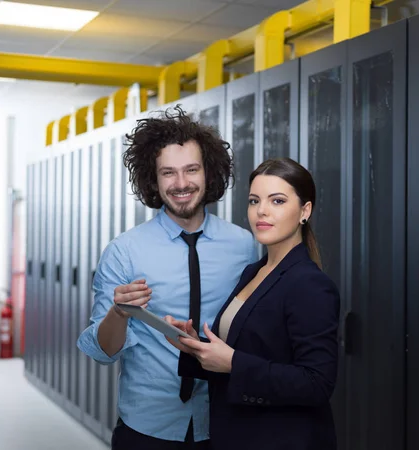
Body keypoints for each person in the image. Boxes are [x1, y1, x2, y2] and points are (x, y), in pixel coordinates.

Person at [77, 106, 258, 450]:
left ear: (209, 172)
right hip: (148, 427)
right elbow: (103, 352)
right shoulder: (124, 250)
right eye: (168, 173)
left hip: (225, 421)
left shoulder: (243, 245)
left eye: (191, 169)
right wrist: (119, 313)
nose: (181, 184)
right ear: (153, 180)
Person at [165, 157, 341, 450]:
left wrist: (233, 362)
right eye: (254, 200)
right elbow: (245, 353)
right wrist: (197, 348)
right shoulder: (253, 272)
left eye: (278, 201)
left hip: (281, 439)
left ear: (304, 211)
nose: (262, 211)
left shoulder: (310, 284)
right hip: (236, 433)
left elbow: (317, 383)